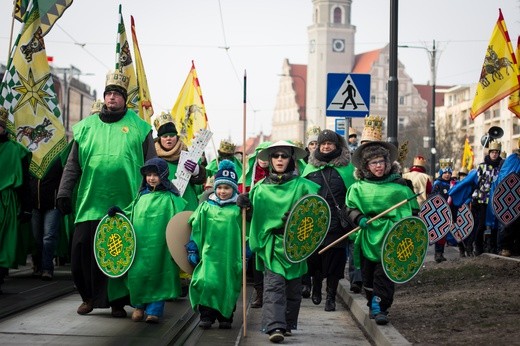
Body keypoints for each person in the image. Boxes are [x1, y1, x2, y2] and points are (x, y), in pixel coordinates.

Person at [57, 70, 156, 317]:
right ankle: (88, 298)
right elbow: (72, 165)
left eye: (117, 94)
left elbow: (152, 165)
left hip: (126, 204)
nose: (112, 98)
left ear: (124, 99)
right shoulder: (85, 128)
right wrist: (63, 192)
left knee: (118, 253)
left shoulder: (140, 128)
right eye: (109, 93)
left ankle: (117, 302)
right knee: (82, 252)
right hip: (90, 202)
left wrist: (153, 194)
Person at [237, 140, 320, 343]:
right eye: (276, 156)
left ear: (291, 159)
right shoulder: (259, 189)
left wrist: (297, 220)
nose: (280, 159)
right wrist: (244, 206)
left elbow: (316, 213)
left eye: (284, 156)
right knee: (274, 286)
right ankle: (275, 327)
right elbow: (251, 218)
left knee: (293, 288)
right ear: (270, 159)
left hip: (296, 246)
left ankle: (287, 323)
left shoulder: (305, 187)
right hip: (271, 245)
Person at [345, 120, 414, 326]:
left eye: (381, 162)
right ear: (367, 166)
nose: (378, 166)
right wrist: (359, 218)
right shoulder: (358, 188)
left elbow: (413, 213)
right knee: (367, 274)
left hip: (391, 236)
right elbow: (348, 208)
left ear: (387, 163)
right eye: (373, 163)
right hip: (367, 236)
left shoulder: (400, 189)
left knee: (384, 273)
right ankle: (372, 301)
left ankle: (381, 306)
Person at [107, 158, 186, 323]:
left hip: (161, 247)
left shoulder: (171, 198)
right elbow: (130, 213)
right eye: (148, 175)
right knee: (139, 275)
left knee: (159, 276)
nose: (151, 178)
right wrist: (119, 212)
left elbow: (181, 221)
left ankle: (154, 310)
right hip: (140, 245)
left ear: (163, 175)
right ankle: (139, 306)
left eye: (155, 174)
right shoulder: (140, 196)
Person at [302, 129, 356, 311]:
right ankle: (316, 284)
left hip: (338, 221)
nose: (326, 147)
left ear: (336, 145)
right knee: (314, 257)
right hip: (314, 221)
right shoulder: (310, 168)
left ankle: (331, 296)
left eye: (329, 144)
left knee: (335, 260)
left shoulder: (347, 169)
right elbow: (301, 192)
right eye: (323, 143)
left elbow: (354, 193)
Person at [187, 159, 243, 330]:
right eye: (219, 187)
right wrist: (192, 247)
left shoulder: (238, 210)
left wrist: (246, 249)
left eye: (226, 188)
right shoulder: (206, 207)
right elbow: (195, 227)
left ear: (233, 189)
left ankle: (225, 316)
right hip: (209, 254)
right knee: (206, 282)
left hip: (229, 256)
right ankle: (206, 315)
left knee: (227, 285)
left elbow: (246, 231)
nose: (222, 191)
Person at [449, 139, 503, 256]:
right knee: (480, 225)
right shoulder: (481, 167)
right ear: (489, 153)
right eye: (492, 152)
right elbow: (469, 181)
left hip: (494, 201)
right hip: (480, 200)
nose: (494, 154)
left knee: (494, 225)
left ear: (499, 154)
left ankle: (492, 247)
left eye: (497, 152)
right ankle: (474, 247)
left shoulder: (500, 169)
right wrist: (454, 191)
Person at [0, 107, 32, 294]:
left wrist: (26, 207)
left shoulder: (16, 151)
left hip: (7, 202)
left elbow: (24, 184)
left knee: (4, 242)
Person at [237, 141, 271, 308]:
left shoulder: (277, 176)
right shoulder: (248, 176)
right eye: (260, 155)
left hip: (272, 223)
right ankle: (259, 293)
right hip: (253, 222)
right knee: (256, 258)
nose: (263, 159)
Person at [153, 111, 206, 212]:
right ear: (159, 139)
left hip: (188, 202)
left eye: (171, 135)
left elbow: (201, 181)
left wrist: (198, 171)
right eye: (165, 136)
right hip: (165, 206)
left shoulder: (188, 153)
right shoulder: (153, 158)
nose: (168, 139)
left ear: (176, 137)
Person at [30, 158, 63, 280]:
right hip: (34, 204)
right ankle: (38, 265)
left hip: (52, 203)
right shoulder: (32, 153)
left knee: (48, 237)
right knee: (36, 238)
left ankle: (47, 268)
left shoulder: (57, 155)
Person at [487, 139, 520, 257]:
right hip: (508, 197)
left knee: (517, 224)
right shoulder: (513, 159)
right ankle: (503, 247)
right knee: (506, 223)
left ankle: (516, 247)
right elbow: (504, 177)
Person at [429, 159, 456, 263]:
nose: (447, 175)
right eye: (445, 172)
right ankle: (438, 254)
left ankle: (441, 253)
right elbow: (432, 197)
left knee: (444, 234)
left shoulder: (452, 184)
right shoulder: (438, 183)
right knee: (439, 233)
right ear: (441, 173)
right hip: (439, 213)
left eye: (449, 172)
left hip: (448, 212)